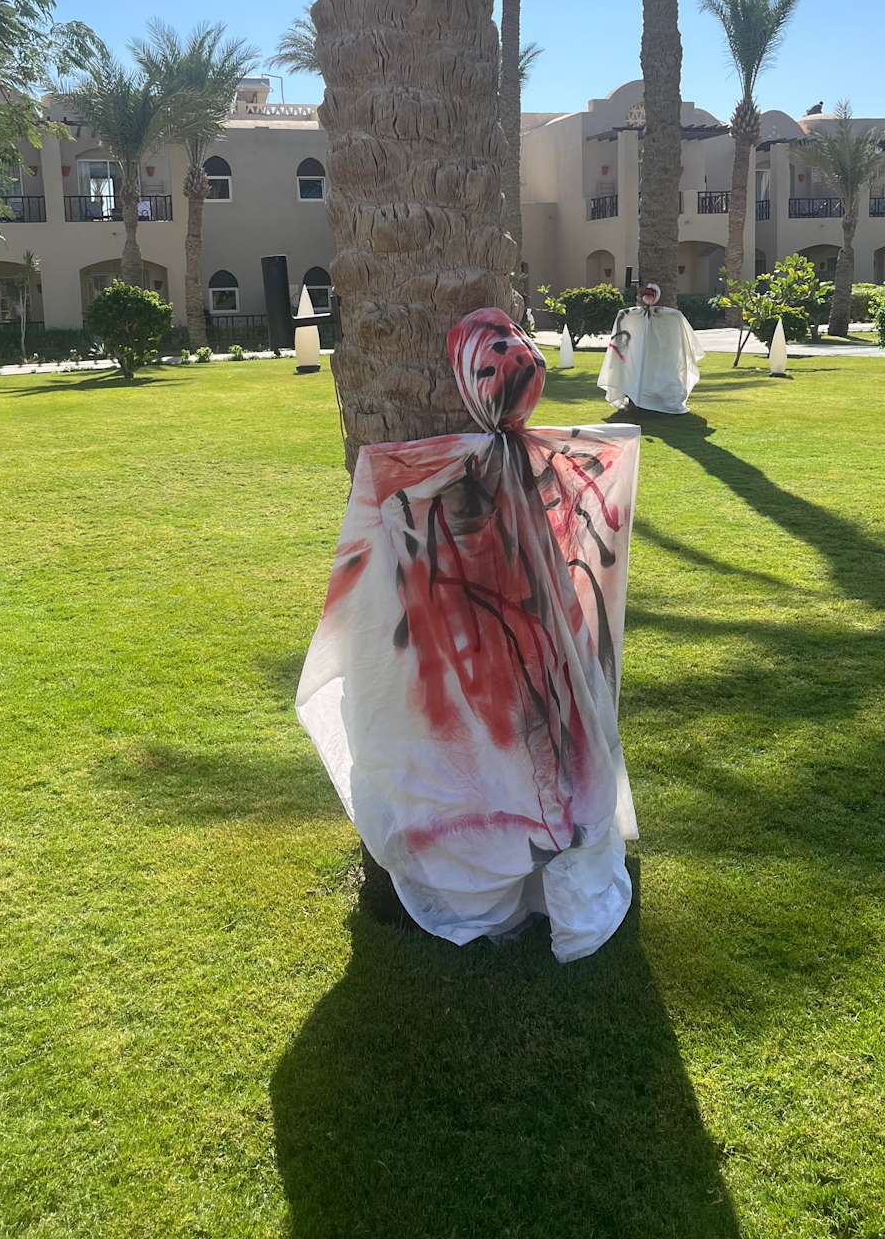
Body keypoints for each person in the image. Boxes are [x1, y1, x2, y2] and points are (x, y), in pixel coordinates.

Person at [297, 309, 640, 962]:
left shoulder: (414, 469)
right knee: (527, 746)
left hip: (460, 645)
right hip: (527, 639)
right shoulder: (542, 455)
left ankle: (493, 892)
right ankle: (544, 883)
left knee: (480, 752)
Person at [598, 282, 703, 415]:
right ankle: (638, 402)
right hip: (642, 353)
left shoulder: (669, 315)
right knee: (640, 371)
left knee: (657, 373)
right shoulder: (637, 314)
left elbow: (675, 321)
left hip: (659, 353)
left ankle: (652, 403)